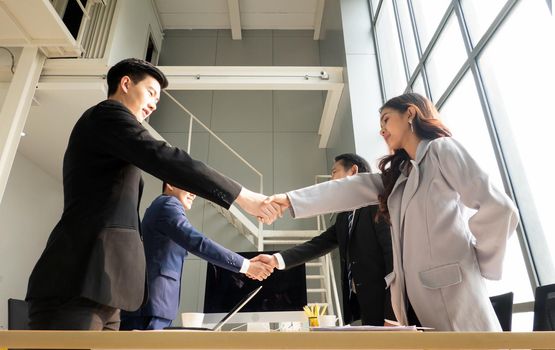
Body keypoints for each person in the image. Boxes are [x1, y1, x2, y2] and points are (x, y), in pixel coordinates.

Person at [25, 58, 280, 330]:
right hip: (78, 280)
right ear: (125, 83)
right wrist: (243, 197)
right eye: (151, 92)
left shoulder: (114, 137)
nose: (155, 103)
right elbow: (166, 158)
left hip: (106, 289)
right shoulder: (107, 115)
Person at [267, 93, 519, 331]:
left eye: (386, 119)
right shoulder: (400, 176)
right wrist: (288, 200)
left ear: (410, 113)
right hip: (414, 306)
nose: (381, 129)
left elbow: (499, 208)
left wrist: (477, 263)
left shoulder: (442, 150)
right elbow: (349, 189)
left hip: (455, 298)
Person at [252, 153, 394, 325]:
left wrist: (392, 316)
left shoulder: (378, 206)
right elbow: (318, 245)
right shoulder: (344, 217)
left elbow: (392, 259)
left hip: (387, 310)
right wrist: (275, 259)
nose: (331, 178)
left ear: (353, 171)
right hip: (359, 308)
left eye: (334, 172)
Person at [120, 183, 272, 330]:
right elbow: (199, 243)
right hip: (151, 306)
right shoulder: (168, 204)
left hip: (155, 306)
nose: (194, 194)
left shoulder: (162, 207)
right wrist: (246, 266)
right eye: (189, 187)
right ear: (171, 184)